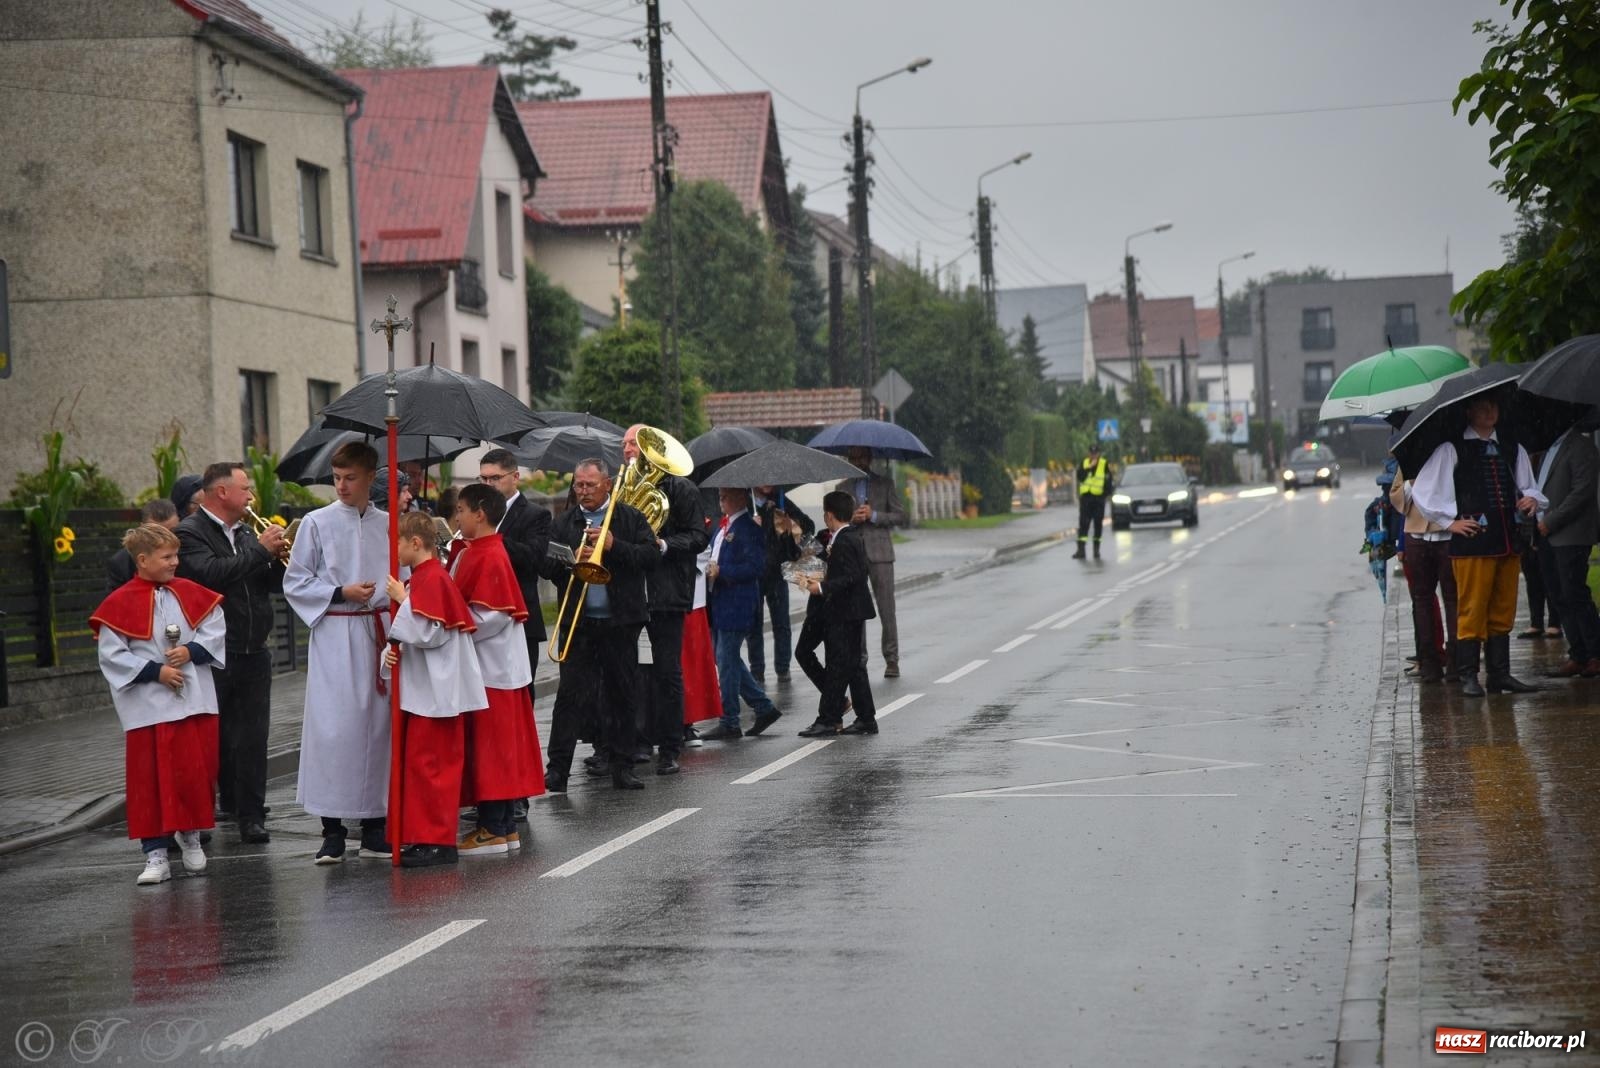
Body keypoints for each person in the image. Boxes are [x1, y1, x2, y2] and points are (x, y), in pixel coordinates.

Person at [91, 523, 226, 885]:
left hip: (194, 700)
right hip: (149, 706)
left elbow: (214, 626)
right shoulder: (118, 602)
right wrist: (156, 671)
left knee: (194, 774)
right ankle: (155, 854)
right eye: (167, 557)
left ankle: (192, 835)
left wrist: (191, 650)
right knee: (149, 781)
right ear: (142, 560)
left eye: (176, 555)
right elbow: (112, 655)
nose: (175, 562)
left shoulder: (190, 592)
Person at [283, 442, 393, 864]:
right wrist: (339, 592)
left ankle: (374, 827)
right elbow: (296, 581)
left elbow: (403, 574)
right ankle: (331, 830)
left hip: (378, 633)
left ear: (369, 479)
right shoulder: (315, 522)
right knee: (335, 730)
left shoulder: (389, 524)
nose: (342, 487)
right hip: (335, 633)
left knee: (377, 727)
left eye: (350, 479)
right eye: (336, 478)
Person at [176, 462, 285, 845]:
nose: (252, 496)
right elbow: (211, 576)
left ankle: (252, 816)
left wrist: (278, 558)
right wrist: (259, 551)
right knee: (214, 739)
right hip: (215, 653)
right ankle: (203, 814)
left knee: (255, 737)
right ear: (222, 492)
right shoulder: (190, 533)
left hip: (255, 648)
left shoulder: (245, 532)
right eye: (246, 488)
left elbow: (266, 583)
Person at [1411, 392, 1546, 696]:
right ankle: (1469, 674)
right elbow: (1425, 491)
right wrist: (1449, 522)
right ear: (1468, 411)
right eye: (1482, 406)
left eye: (1494, 405)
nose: (1489, 411)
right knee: (1471, 607)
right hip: (1472, 542)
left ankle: (1500, 674)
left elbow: (1530, 487)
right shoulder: (1452, 448)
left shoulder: (1512, 446)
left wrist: (1530, 500)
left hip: (1508, 539)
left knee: (1503, 606)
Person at [539, 459, 659, 790]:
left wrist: (613, 546)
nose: (583, 491)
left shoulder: (629, 518)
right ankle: (558, 769)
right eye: (578, 485)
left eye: (590, 485)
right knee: (570, 695)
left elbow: (650, 557)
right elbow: (546, 565)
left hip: (621, 621)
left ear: (607, 484)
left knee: (622, 693)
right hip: (579, 622)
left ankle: (623, 765)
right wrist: (570, 560)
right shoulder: (565, 522)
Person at [380, 512, 489, 867]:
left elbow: (432, 633)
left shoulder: (433, 579)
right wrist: (390, 654)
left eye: (397, 541)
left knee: (434, 770)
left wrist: (404, 600)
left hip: (437, 694)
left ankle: (439, 842)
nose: (392, 549)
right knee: (420, 767)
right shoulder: (420, 579)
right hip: (423, 689)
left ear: (415, 543)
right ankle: (423, 836)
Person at [448, 485, 546, 853]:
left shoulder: (488, 554)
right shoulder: (479, 550)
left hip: (492, 669)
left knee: (491, 751)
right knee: (500, 751)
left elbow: (492, 614)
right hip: (497, 666)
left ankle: (493, 826)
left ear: (480, 513)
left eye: (461, 509)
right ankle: (504, 826)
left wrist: (454, 622)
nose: (457, 517)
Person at [623, 425, 708, 777]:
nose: (628, 450)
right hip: (630, 593)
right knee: (632, 672)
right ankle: (637, 741)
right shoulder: (621, 488)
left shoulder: (681, 489)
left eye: (634, 444)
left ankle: (670, 746)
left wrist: (665, 544)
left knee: (666, 673)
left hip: (667, 593)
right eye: (625, 444)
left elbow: (699, 536)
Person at [794, 491, 879, 738]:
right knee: (850, 667)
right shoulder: (841, 537)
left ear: (828, 515)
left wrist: (820, 587)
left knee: (839, 665)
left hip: (847, 611)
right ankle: (865, 718)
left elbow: (853, 576)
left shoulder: (846, 539)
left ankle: (829, 719)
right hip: (844, 611)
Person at [704, 487, 782, 740]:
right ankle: (763, 707)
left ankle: (730, 720)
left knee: (726, 660)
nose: (721, 501)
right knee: (727, 659)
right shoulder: (723, 526)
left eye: (725, 496)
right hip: (720, 601)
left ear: (740, 498)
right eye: (720, 496)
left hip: (737, 602)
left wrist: (722, 571)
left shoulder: (749, 528)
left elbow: (755, 567)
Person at [1532, 425, 1600, 678]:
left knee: (1574, 593)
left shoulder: (1581, 446)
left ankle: (1595, 653)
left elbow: (1582, 491)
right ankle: (1579, 653)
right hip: (1546, 536)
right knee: (1559, 595)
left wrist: (1551, 521)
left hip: (1571, 534)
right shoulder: (1548, 449)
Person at [837, 447, 907, 677]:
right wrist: (852, 519)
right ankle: (860, 659)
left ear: (869, 459)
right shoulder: (842, 488)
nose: (857, 462)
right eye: (853, 458)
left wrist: (874, 515)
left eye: (861, 458)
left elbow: (900, 516)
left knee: (887, 609)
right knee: (856, 609)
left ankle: (892, 659)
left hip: (881, 554)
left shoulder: (885, 484)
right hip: (853, 555)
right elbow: (836, 522)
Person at [1391, 469, 1457, 683]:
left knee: (1453, 599)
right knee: (1422, 601)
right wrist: (1412, 480)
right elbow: (1397, 498)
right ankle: (1430, 664)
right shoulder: (1409, 460)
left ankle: (1457, 663)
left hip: (1449, 534)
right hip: (1417, 537)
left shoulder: (1451, 453)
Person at [747, 485, 814, 685]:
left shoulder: (781, 500)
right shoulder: (745, 502)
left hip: (778, 571)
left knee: (782, 623)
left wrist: (789, 523)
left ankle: (783, 668)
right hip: (754, 572)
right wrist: (749, 525)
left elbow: (808, 525)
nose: (768, 484)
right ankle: (757, 670)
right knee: (754, 625)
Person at [106, 499, 180, 592]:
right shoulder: (122, 564)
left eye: (173, 531)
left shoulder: (191, 550)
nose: (167, 537)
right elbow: (116, 603)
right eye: (157, 533)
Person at [1073, 443, 1113, 560]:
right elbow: (1080, 477)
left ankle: (1096, 551)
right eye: (1091, 453)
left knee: (1098, 525)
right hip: (1086, 499)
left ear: (1099, 454)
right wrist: (1089, 467)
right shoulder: (1084, 463)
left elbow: (1108, 480)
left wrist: (1105, 495)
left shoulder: (1104, 464)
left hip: (1098, 499)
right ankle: (1081, 550)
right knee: (1083, 524)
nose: (1093, 456)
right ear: (1088, 453)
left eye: (1095, 454)